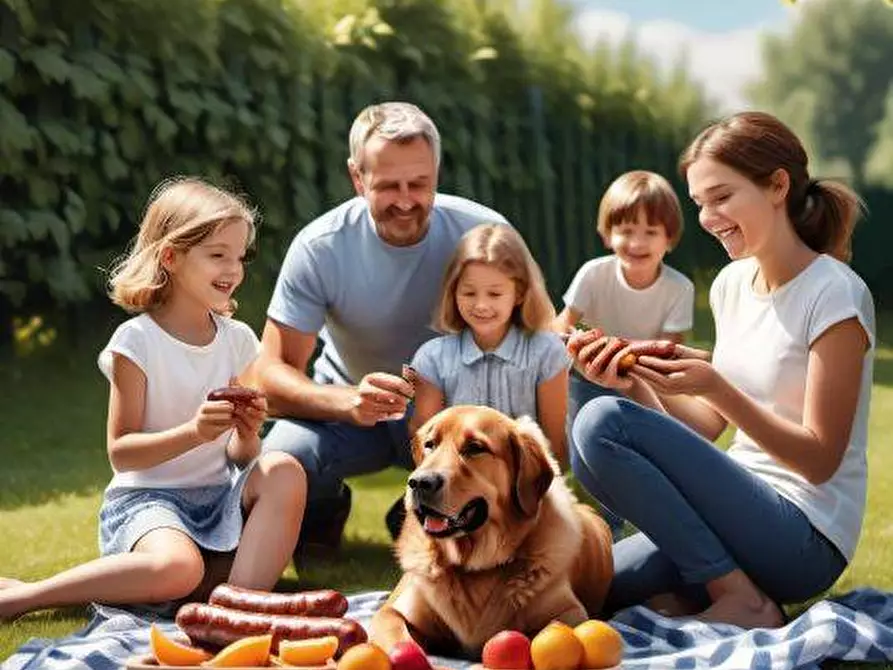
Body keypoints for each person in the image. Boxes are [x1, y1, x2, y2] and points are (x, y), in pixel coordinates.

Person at [567, 111, 875, 629]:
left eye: (722, 197)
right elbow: (707, 425)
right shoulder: (731, 285)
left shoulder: (835, 293)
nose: (708, 218)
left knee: (602, 423)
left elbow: (820, 460)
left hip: (803, 536)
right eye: (700, 204)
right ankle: (712, 593)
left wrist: (716, 384)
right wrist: (634, 382)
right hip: (730, 518)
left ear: (777, 185)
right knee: (583, 587)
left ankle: (738, 597)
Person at [0, 178, 307, 620]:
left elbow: (241, 457)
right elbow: (122, 454)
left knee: (283, 468)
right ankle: (27, 596)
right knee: (179, 570)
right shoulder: (137, 341)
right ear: (171, 257)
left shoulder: (239, 341)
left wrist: (248, 433)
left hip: (218, 502)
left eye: (239, 257)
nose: (234, 269)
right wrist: (195, 432)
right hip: (149, 505)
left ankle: (235, 611)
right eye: (218, 255)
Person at [257, 102, 509, 549]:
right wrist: (347, 400)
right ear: (358, 178)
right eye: (389, 186)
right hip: (353, 415)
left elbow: (533, 348)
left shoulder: (486, 233)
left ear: (437, 171)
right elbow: (269, 374)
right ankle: (321, 510)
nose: (407, 200)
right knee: (283, 457)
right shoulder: (321, 247)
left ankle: (426, 511)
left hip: (461, 420)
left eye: (420, 183)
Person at [553, 170, 694, 536]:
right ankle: (602, 526)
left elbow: (668, 351)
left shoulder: (678, 288)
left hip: (640, 380)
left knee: (644, 453)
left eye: (650, 232)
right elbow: (559, 325)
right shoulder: (594, 274)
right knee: (584, 455)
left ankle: (639, 521)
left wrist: (623, 355)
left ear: (670, 238)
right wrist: (571, 340)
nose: (637, 242)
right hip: (587, 375)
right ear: (607, 234)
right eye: (627, 230)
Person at [409, 223, 569, 464]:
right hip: (454, 482)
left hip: (527, 485)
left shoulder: (547, 352)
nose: (481, 305)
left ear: (520, 294)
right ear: (453, 292)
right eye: (469, 293)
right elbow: (426, 444)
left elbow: (554, 448)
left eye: (494, 294)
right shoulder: (432, 358)